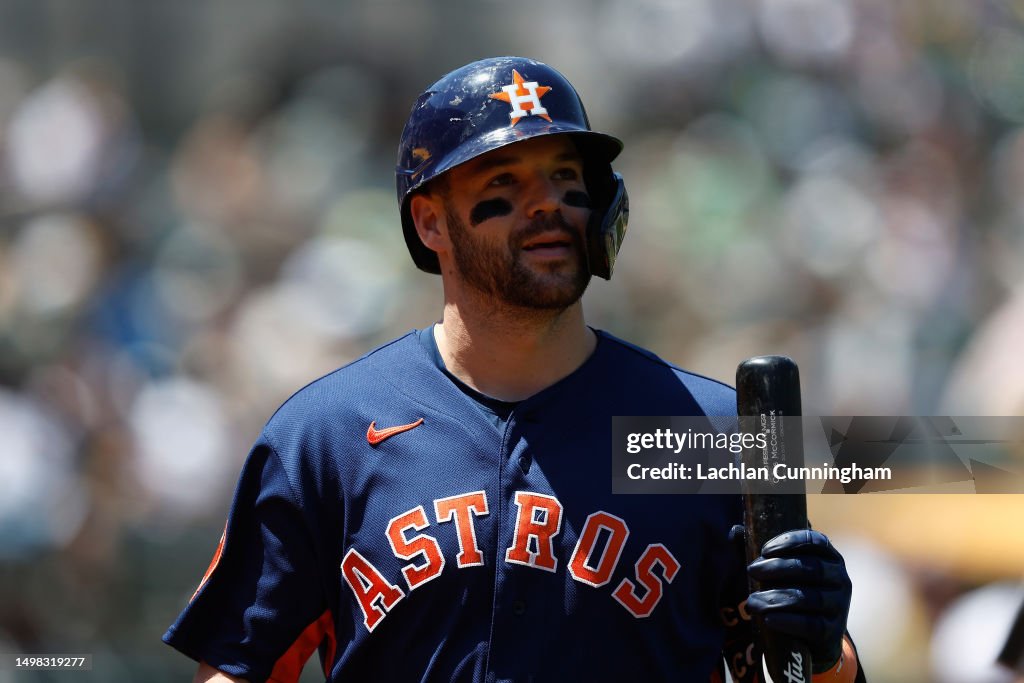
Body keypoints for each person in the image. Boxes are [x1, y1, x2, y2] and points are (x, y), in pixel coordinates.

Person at [164, 56, 863, 682]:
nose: (547, 203)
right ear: (431, 222)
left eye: (565, 176)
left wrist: (825, 653)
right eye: (504, 178)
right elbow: (236, 668)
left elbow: (793, 673)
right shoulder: (327, 435)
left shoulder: (705, 433)